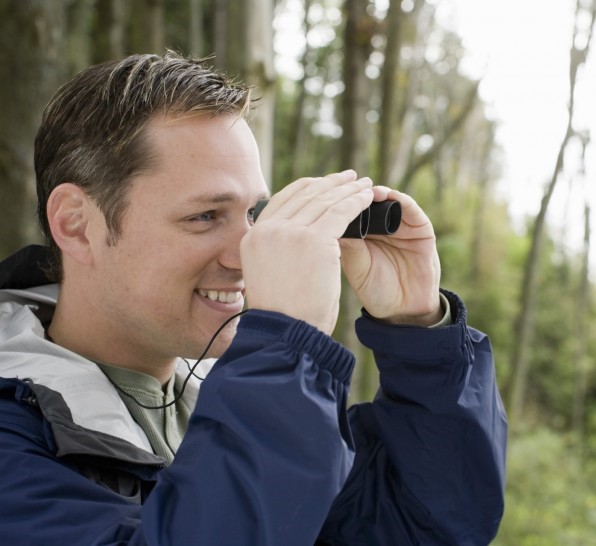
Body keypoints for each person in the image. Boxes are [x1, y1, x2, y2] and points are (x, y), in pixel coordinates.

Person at [0, 52, 506, 545]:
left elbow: (430, 528)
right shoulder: (15, 438)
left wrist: (418, 330)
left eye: (254, 214)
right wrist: (287, 342)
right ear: (76, 223)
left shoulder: (235, 397)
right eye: (204, 217)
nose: (249, 252)